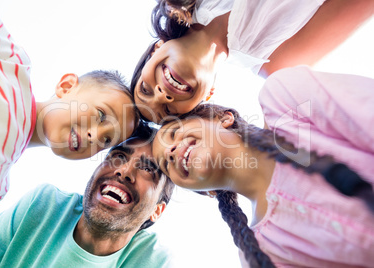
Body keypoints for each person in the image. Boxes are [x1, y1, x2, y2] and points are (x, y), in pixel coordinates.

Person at [152, 66, 374, 267]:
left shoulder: (287, 101)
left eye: (173, 133)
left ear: (222, 119)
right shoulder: (261, 252)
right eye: (165, 163)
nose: (170, 151)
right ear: (205, 191)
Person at [0, 0, 138, 220]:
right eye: (101, 115)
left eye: (106, 141)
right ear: (66, 86)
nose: (94, 136)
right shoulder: (12, 65)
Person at [130, 0, 374, 123]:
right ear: (207, 97)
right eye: (169, 111)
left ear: (155, 49)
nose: (162, 95)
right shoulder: (278, 61)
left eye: (145, 89)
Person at [0, 124, 175, 267]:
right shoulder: (43, 203)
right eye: (119, 156)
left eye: (148, 169)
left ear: (157, 210)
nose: (124, 171)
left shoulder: (151, 259)